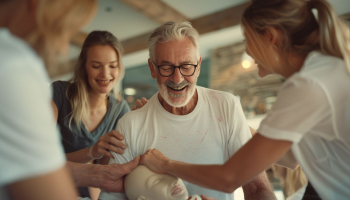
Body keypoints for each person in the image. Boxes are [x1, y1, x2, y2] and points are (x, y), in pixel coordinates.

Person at [140, 0, 350, 199]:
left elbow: (229, 178)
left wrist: (165, 164)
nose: (247, 51)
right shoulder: (327, 70)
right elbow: (291, 158)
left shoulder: (307, 85)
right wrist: (233, 122)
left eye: (247, 40)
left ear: (270, 37)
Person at [99, 21, 275, 200]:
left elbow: (258, 189)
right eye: (166, 67)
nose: (177, 78)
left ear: (198, 65)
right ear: (152, 68)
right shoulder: (131, 125)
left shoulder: (226, 106)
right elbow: (112, 197)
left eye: (186, 66)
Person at [0, 0, 96, 199]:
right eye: (65, 28)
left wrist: (90, 174)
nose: (62, 48)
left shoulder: (118, 107)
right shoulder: (13, 67)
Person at [51, 30, 131, 198]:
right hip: (47, 187)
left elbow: (104, 170)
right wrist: (91, 152)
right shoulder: (58, 94)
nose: (105, 74)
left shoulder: (120, 110)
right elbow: (39, 157)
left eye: (112, 66)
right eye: (96, 66)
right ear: (84, 67)